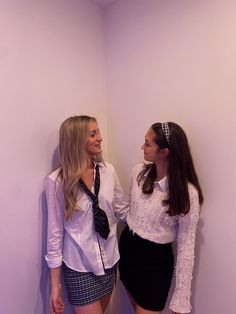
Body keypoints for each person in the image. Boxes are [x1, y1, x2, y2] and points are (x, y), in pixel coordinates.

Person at [44, 115, 129, 314]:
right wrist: (54, 285)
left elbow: (123, 211)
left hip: (110, 261)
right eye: (93, 134)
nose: (100, 138)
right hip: (79, 267)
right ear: (76, 140)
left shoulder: (108, 171)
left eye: (98, 132)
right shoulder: (57, 181)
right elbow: (55, 235)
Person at [119, 122, 204, 314]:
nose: (142, 147)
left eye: (147, 144)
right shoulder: (138, 172)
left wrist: (181, 299)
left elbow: (186, 246)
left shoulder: (187, 193)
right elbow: (132, 213)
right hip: (128, 252)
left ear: (164, 152)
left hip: (155, 264)